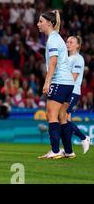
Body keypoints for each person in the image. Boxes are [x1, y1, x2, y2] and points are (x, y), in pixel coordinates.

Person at [37, 10, 74, 159]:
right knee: (62, 117)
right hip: (68, 82)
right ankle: (69, 151)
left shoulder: (52, 39)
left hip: (59, 81)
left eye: (41, 21)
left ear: (50, 23)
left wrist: (47, 82)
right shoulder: (57, 37)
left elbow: (53, 62)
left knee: (51, 114)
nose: (38, 24)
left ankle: (55, 150)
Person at [65, 36, 91, 155]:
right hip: (64, 91)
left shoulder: (78, 59)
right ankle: (68, 151)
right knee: (64, 121)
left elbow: (73, 77)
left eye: (71, 42)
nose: (68, 43)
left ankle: (84, 138)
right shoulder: (66, 58)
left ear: (77, 46)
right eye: (67, 41)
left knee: (63, 118)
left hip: (72, 91)